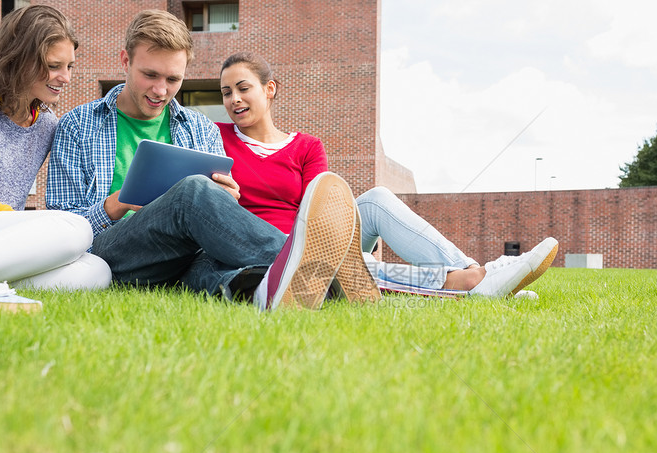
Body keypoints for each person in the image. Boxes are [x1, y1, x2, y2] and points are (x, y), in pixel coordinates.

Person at [46, 10, 367, 310]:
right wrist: (118, 204)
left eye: (173, 80)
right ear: (125, 60)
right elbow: (60, 233)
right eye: (150, 75)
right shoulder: (78, 126)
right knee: (192, 193)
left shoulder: (200, 129)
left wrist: (225, 199)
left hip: (182, 256)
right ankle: (324, 269)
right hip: (115, 254)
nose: (160, 90)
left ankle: (267, 287)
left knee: (214, 270)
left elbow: (215, 211)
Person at [216, 51, 558, 300]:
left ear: (270, 89)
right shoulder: (215, 136)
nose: (234, 99)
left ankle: (471, 271)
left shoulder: (306, 145)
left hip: (316, 236)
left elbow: (323, 206)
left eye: (243, 88)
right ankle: (474, 281)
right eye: (226, 92)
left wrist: (338, 241)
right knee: (348, 266)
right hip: (270, 249)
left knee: (377, 198)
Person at [0, 5, 111, 292]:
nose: (65, 78)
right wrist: (17, 224)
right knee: (76, 228)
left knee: (96, 271)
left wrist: (19, 234)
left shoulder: (46, 125)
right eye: (54, 66)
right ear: (20, 59)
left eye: (69, 67)